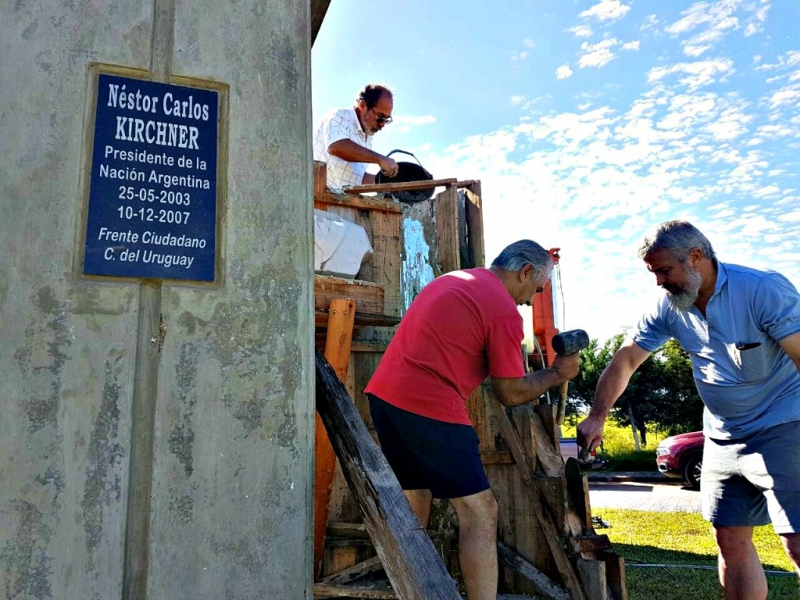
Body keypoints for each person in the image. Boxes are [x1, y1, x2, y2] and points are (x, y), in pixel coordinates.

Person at [577, 219, 800, 600]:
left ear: (696, 258)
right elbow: (627, 360)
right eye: (653, 273)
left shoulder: (761, 289)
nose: (659, 282)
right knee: (728, 539)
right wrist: (597, 415)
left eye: (664, 271)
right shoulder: (669, 308)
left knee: (797, 542)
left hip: (783, 425)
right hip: (721, 436)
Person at [365, 240, 581, 600]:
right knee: (480, 509)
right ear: (525, 272)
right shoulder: (501, 309)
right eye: (536, 290)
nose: (529, 301)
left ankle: (409, 590)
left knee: (414, 497)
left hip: (386, 399)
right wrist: (559, 373)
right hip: (428, 406)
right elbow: (509, 393)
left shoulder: (454, 279)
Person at [312, 83, 399, 192]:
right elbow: (336, 146)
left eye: (386, 119)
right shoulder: (340, 116)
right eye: (380, 117)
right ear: (362, 105)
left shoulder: (366, 139)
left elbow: (355, 178)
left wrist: (390, 183)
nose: (382, 124)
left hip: (337, 202)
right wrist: (380, 159)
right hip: (314, 199)